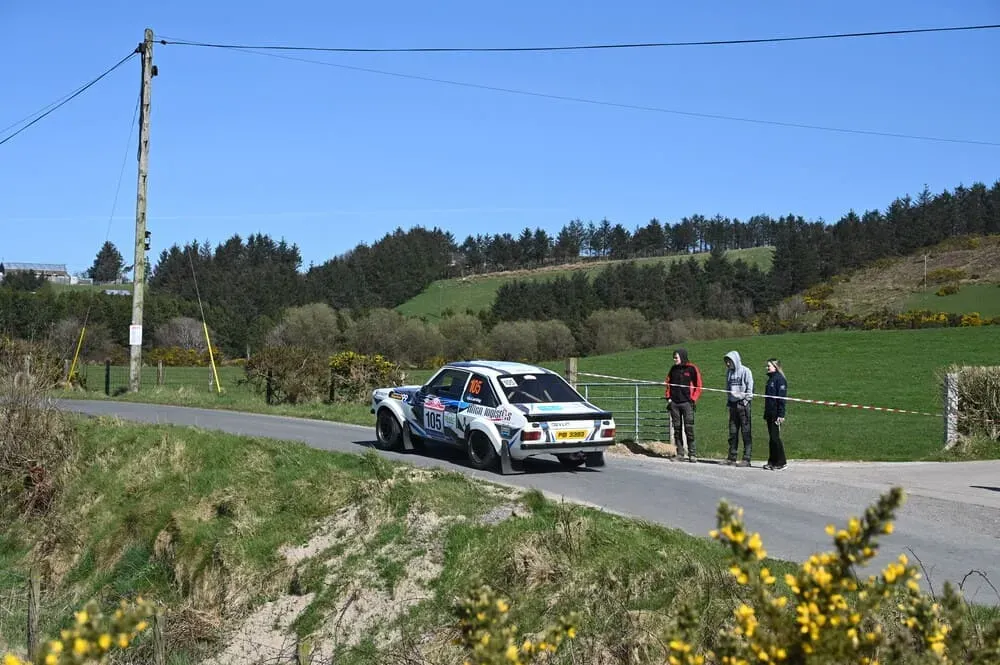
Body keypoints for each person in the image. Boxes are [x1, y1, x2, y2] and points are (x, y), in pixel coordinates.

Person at [664, 348, 702, 462]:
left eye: (676, 357)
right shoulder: (673, 369)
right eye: (674, 357)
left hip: (687, 403)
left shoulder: (692, 368)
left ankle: (692, 454)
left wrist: (693, 399)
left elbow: (698, 385)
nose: (674, 359)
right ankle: (680, 453)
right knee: (677, 429)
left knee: (689, 428)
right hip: (674, 403)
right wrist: (669, 398)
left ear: (682, 357)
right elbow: (668, 383)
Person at [723, 350, 754, 466]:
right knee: (733, 432)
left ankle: (746, 458)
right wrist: (729, 401)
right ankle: (732, 457)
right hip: (732, 405)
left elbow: (750, 389)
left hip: (743, 405)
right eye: (726, 362)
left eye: (729, 361)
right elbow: (727, 388)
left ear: (734, 360)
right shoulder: (729, 373)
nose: (727, 364)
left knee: (746, 432)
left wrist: (745, 402)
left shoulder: (746, 371)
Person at [762, 358, 788, 470]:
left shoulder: (780, 380)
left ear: (775, 367)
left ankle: (781, 462)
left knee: (775, 437)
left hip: (776, 413)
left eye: (769, 366)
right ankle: (772, 461)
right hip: (769, 412)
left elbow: (781, 399)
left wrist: (781, 415)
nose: (767, 368)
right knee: (771, 438)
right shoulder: (770, 380)